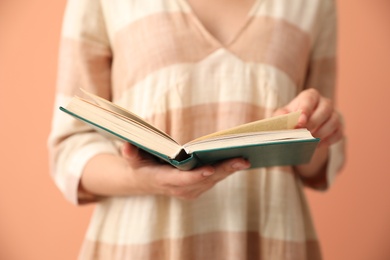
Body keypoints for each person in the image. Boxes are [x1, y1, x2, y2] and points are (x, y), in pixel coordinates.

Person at [48, 0, 346, 259]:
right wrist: (141, 179)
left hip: (271, 238)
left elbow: (317, 159)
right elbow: (70, 145)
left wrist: (319, 130)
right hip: (141, 242)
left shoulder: (316, 4)